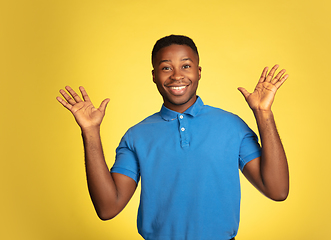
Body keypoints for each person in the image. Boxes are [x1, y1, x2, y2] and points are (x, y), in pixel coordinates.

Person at [56, 35, 289, 240]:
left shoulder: (232, 125)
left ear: (198, 72)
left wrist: (263, 113)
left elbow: (277, 190)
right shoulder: (136, 136)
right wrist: (90, 132)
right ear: (154, 76)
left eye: (186, 66)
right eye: (166, 68)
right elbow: (108, 208)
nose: (177, 76)